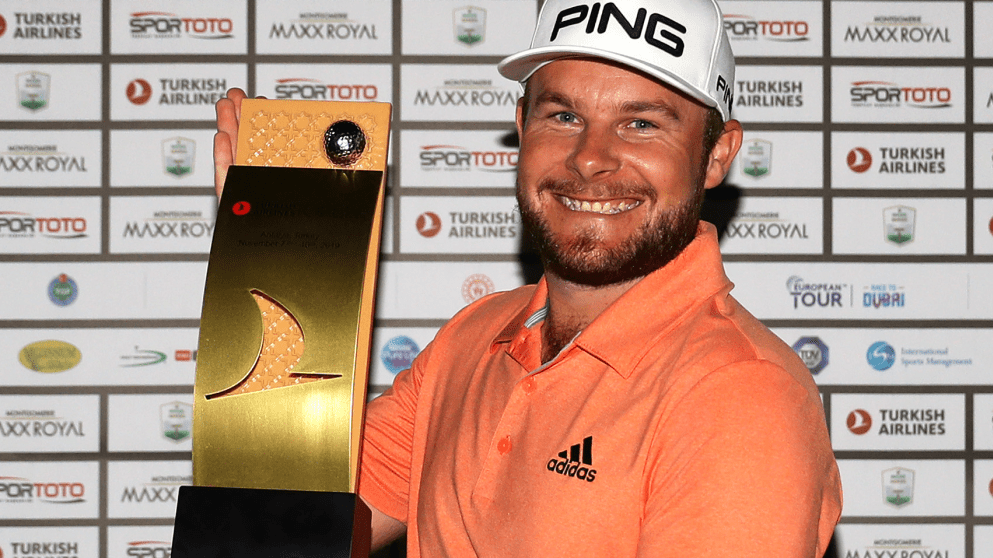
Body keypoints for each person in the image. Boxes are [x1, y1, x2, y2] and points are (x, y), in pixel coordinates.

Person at [214, 0, 842, 555]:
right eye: (563, 117)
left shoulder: (739, 392)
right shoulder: (474, 337)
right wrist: (278, 263)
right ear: (521, 129)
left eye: (641, 123)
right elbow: (289, 532)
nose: (591, 157)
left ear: (717, 154)